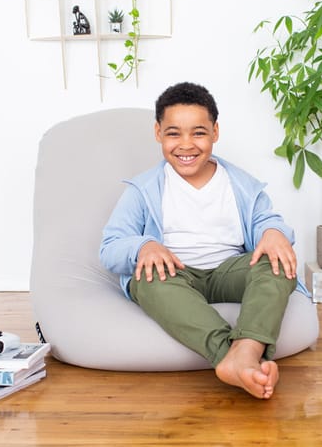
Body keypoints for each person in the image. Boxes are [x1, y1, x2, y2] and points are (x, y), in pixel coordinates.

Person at [100, 82, 305, 399]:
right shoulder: (142, 190)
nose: (186, 145)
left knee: (277, 264)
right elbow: (111, 247)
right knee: (147, 278)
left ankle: (246, 348)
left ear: (215, 132)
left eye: (198, 133)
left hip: (228, 271)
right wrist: (144, 246)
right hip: (175, 274)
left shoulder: (241, 184)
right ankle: (235, 357)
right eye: (173, 133)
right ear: (158, 133)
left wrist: (274, 233)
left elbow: (267, 220)